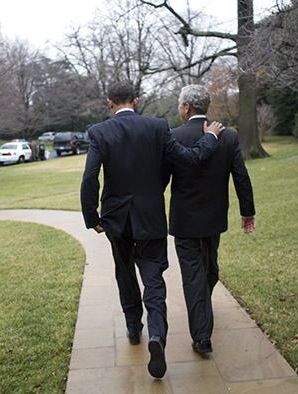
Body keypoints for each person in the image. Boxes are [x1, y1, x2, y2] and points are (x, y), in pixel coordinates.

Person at [80, 81, 224, 379]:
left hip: (116, 220)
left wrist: (92, 216)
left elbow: (90, 178)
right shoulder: (158, 128)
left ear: (110, 103)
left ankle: (134, 328)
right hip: (151, 218)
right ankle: (157, 335)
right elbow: (190, 159)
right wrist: (209, 138)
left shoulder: (99, 132)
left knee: (124, 272)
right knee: (153, 277)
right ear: (136, 100)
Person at [164, 84, 255, 354]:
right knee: (205, 270)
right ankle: (202, 335)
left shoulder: (173, 137)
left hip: (185, 221)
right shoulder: (227, 137)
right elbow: (241, 176)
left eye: (180, 103)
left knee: (201, 274)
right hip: (213, 219)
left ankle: (201, 316)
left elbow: (161, 178)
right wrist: (247, 210)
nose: (179, 107)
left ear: (187, 107)